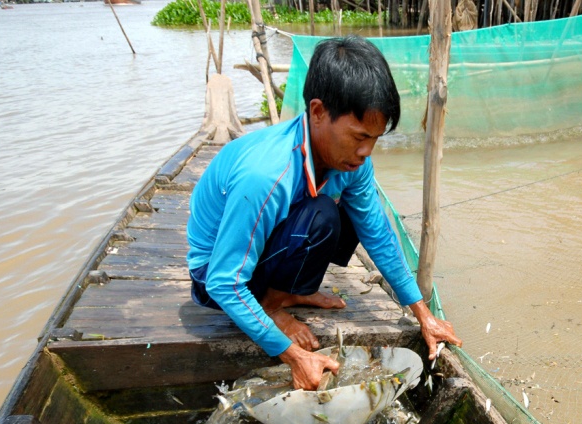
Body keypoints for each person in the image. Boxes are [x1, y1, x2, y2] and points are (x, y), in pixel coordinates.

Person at [187, 35, 461, 391]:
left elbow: (376, 233)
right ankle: (271, 305)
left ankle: (287, 292)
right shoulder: (265, 175)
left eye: (374, 139)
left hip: (260, 252)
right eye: (359, 136)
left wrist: (423, 313)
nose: (365, 151)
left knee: (352, 216)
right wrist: (292, 355)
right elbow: (222, 282)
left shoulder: (352, 162)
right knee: (321, 214)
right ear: (317, 112)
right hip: (213, 277)